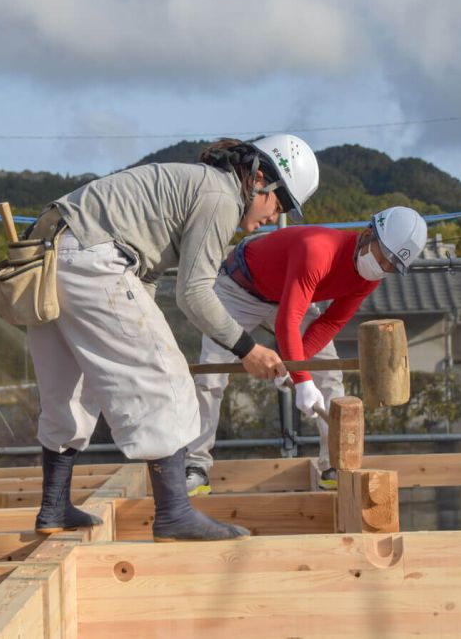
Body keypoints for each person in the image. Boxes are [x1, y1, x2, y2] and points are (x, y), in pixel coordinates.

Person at [25, 134, 320, 541]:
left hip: (47, 254)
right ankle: (175, 514)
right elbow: (195, 292)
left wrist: (146, 329)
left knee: (71, 389)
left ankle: (53, 506)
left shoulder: (191, 187)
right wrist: (247, 349)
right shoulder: (221, 197)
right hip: (92, 257)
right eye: (280, 203)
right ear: (259, 180)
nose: (276, 216)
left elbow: (144, 277)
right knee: (166, 379)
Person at [187, 206, 428, 494]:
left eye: (391, 266)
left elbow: (331, 322)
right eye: (382, 257)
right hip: (240, 289)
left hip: (291, 296)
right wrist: (302, 380)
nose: (383, 267)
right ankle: (195, 466)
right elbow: (287, 322)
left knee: (328, 373)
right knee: (211, 374)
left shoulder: (370, 278)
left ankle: (333, 465)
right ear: (367, 235)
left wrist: (294, 366)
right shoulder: (318, 250)